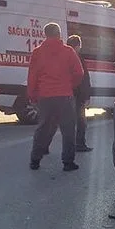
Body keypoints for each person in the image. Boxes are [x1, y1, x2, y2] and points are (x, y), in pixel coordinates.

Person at [27, 23, 84, 171]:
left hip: (45, 96)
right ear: (59, 34)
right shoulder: (68, 51)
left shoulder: (37, 52)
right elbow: (79, 73)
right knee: (68, 130)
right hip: (65, 95)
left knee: (43, 128)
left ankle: (35, 160)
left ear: (45, 35)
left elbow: (32, 76)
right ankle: (68, 162)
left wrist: (32, 95)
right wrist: (70, 85)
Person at [67, 35, 93, 152]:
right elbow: (83, 78)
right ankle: (80, 144)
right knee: (81, 122)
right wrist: (86, 95)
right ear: (78, 46)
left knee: (67, 121)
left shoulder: (64, 57)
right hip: (78, 94)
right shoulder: (77, 58)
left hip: (67, 94)